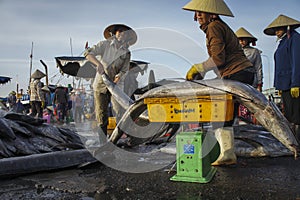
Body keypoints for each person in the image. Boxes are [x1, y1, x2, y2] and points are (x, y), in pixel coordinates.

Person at [182, 0, 254, 165]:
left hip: (237, 73)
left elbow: (218, 58)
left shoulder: (214, 26)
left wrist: (200, 68)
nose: (198, 15)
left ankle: (227, 154)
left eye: (202, 12)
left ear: (212, 14)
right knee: (226, 113)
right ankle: (227, 152)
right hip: (241, 73)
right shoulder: (217, 26)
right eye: (197, 12)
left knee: (219, 112)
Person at [84, 24, 137, 137]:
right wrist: (98, 64)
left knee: (119, 112)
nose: (122, 33)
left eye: (125, 32)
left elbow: (124, 70)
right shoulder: (105, 45)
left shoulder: (126, 53)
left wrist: (119, 77)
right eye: (120, 31)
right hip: (101, 84)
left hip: (116, 85)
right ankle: (102, 142)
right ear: (114, 33)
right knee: (102, 115)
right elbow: (88, 54)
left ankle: (116, 140)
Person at [263, 14, 300, 142]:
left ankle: (297, 142)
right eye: (275, 30)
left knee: (296, 115)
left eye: (279, 29)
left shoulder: (295, 39)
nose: (276, 32)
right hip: (284, 84)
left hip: (292, 84)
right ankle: (292, 142)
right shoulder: (282, 43)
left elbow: (297, 61)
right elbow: (278, 67)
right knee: (288, 114)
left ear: (287, 27)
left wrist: (296, 83)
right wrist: (277, 85)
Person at [235, 27, 263, 92]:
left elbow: (258, 68)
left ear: (248, 40)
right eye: (239, 40)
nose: (241, 42)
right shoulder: (233, 52)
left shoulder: (254, 52)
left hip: (251, 79)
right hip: (236, 80)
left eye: (243, 40)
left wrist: (259, 84)